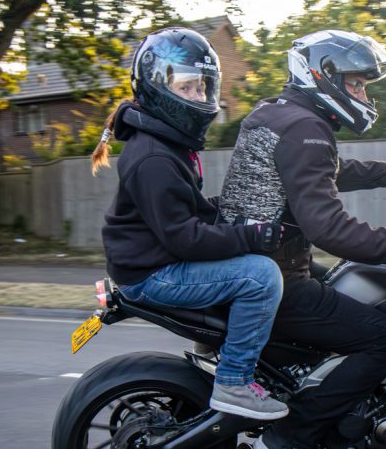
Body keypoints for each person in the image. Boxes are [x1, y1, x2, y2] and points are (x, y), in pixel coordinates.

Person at [218, 29, 386, 449]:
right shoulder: (307, 128)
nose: (364, 94)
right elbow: (331, 229)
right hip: (276, 279)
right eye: (357, 84)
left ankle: (315, 399)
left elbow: (317, 173)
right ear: (323, 75)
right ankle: (290, 437)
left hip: (251, 264)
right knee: (383, 340)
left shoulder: (277, 113)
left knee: (352, 288)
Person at [97, 27, 288, 420]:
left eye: (202, 88)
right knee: (261, 276)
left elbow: (188, 211)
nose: (199, 98)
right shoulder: (154, 158)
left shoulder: (164, 145)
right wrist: (249, 237)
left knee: (251, 265)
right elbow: (185, 239)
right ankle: (233, 381)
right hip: (154, 272)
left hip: (152, 258)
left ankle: (212, 352)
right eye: (186, 88)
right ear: (157, 87)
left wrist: (239, 209)